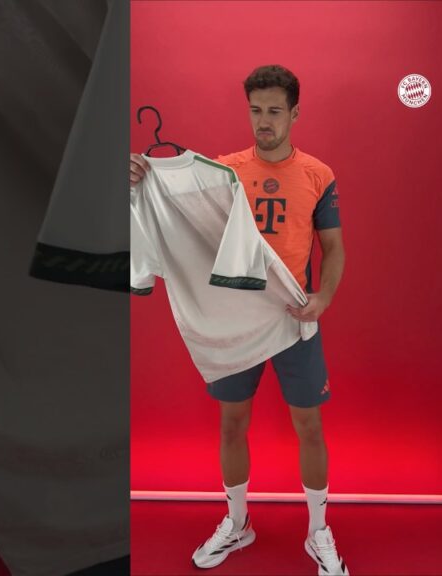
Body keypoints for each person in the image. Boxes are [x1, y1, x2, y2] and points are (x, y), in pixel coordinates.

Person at [130, 64, 348, 575]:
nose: (264, 121)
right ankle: (237, 522)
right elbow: (175, 212)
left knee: (310, 427)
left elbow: (333, 248)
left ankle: (318, 531)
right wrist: (142, 176)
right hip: (234, 320)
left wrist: (325, 298)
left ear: (295, 112)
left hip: (293, 315)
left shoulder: (318, 173)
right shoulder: (223, 171)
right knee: (232, 424)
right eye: (255, 110)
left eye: (274, 111)